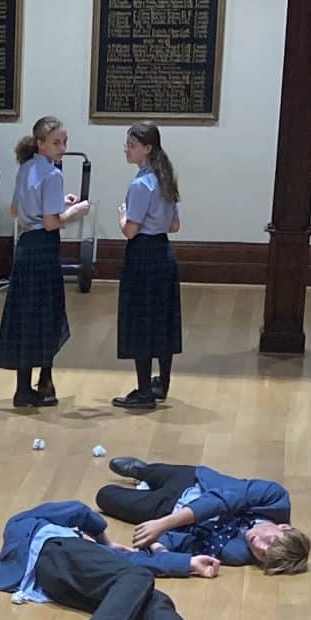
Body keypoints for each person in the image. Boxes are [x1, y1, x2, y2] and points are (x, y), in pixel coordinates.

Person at [0, 499, 261, 620]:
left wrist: (187, 563)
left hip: (49, 585)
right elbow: (79, 511)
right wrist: (105, 540)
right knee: (137, 578)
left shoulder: (85, 556)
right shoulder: (31, 524)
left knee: (146, 595)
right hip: (52, 550)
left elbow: (132, 565)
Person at [0, 115, 87, 411]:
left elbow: (16, 210)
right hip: (44, 249)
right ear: (40, 144)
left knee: (26, 318)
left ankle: (23, 388)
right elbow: (51, 223)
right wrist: (76, 211)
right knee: (47, 316)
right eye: (56, 143)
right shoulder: (53, 174)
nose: (62, 148)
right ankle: (43, 384)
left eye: (65, 142)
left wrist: (59, 204)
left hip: (25, 247)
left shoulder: (26, 167)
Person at [94, 460, 310, 574]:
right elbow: (221, 500)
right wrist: (163, 525)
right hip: (195, 481)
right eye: (269, 541)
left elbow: (188, 543)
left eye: (262, 555)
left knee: (105, 496)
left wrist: (157, 547)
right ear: (283, 527)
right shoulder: (275, 497)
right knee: (152, 472)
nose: (257, 544)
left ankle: (144, 486)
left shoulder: (237, 552)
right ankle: (143, 472)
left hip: (165, 510)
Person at [111, 122, 183, 411]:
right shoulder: (165, 179)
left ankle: (143, 392)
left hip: (142, 254)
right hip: (163, 252)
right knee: (162, 320)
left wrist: (123, 215)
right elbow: (174, 225)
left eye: (132, 145)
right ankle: (161, 383)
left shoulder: (141, 184)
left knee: (140, 320)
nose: (126, 150)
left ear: (147, 149)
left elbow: (130, 230)